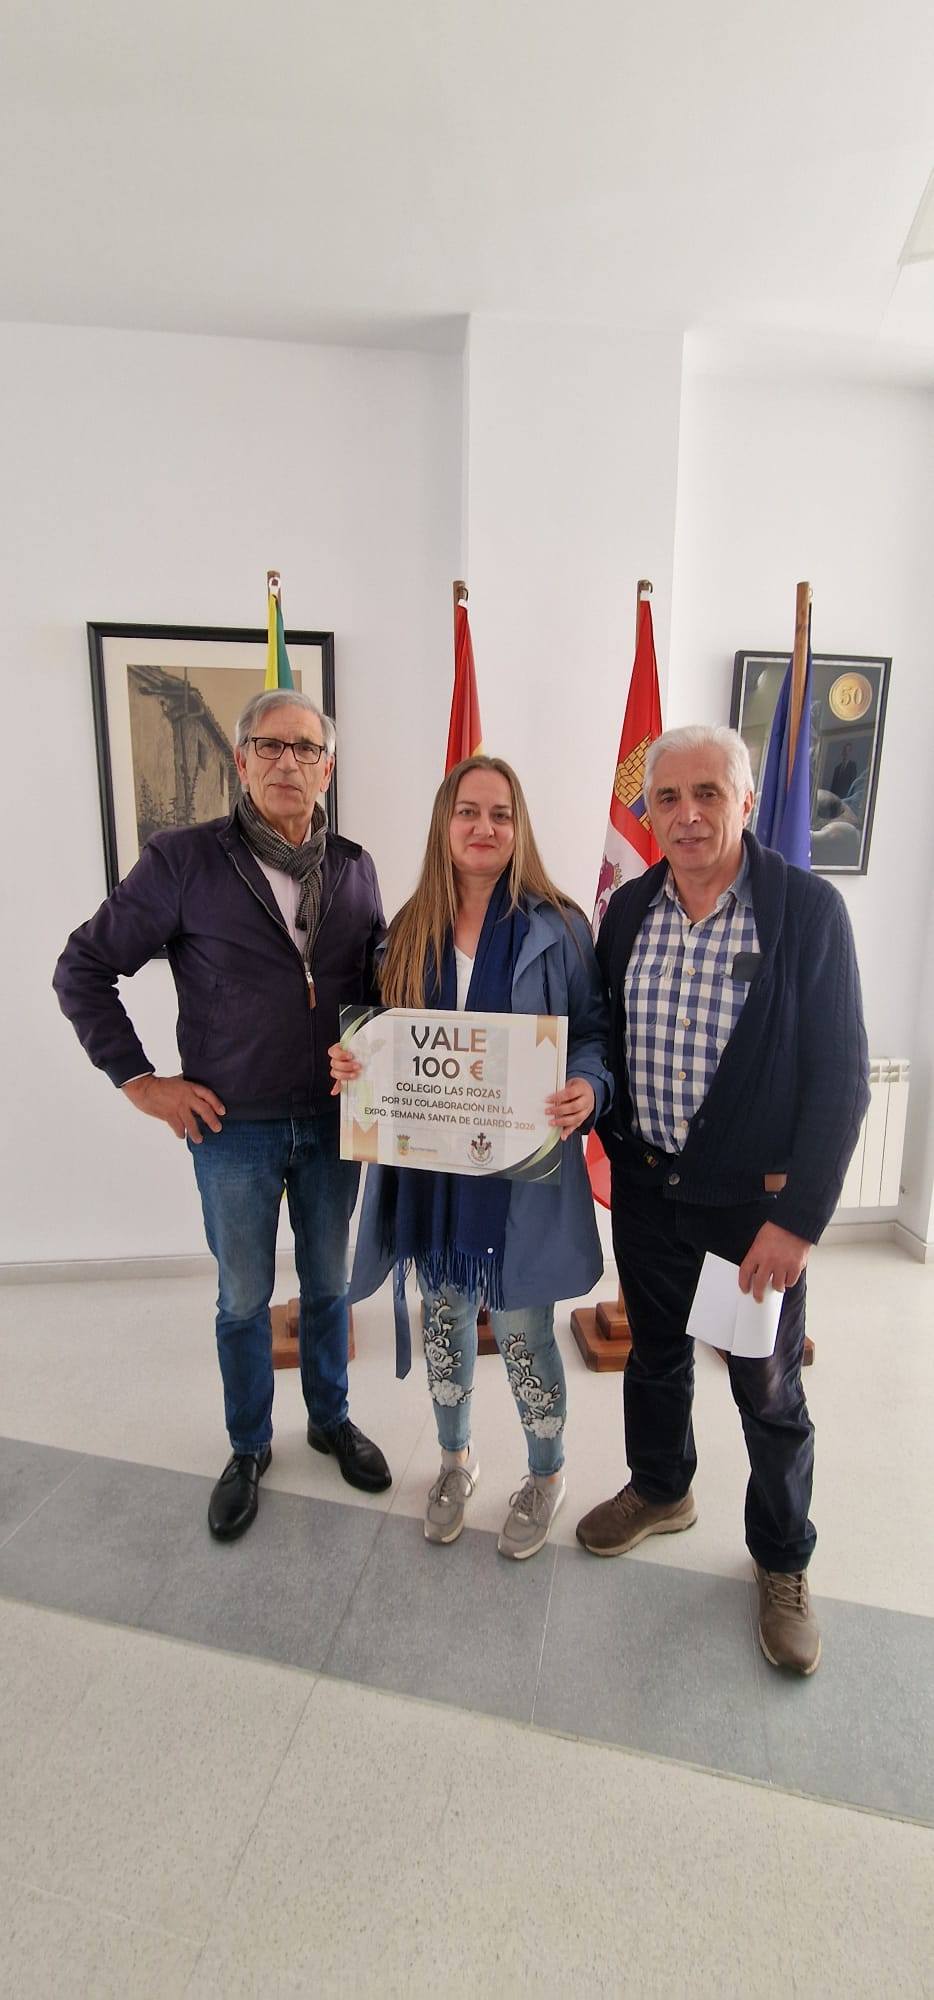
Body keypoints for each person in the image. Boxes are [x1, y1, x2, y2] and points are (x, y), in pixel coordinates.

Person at [54, 689, 391, 1541]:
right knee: (243, 1296)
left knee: (328, 1285)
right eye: (269, 746)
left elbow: (379, 992)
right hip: (230, 1127)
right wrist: (141, 1082)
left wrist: (390, 1065)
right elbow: (83, 969)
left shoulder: (356, 868)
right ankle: (248, 1446)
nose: (287, 762)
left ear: (328, 769)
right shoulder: (182, 861)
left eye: (305, 749)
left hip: (332, 1123)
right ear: (241, 762)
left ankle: (329, 1419)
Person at [576, 724, 869, 1674]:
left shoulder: (807, 914)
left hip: (754, 1215)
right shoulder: (628, 910)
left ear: (746, 800)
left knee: (767, 1393)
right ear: (649, 811)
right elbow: (603, 1039)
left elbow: (841, 1081)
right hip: (649, 1194)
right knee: (656, 1357)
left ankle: (783, 1560)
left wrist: (798, 1223)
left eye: (709, 793)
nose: (688, 814)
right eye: (668, 797)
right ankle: (662, 1488)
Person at [333, 755, 611, 1560]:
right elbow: (380, 1037)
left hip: (520, 1176)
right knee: (445, 1317)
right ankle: (455, 1462)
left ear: (518, 827)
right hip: (431, 1176)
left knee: (523, 1327)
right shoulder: (404, 929)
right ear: (444, 824)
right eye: (468, 812)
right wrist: (353, 1062)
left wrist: (588, 1086)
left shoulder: (560, 927)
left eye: (500, 813)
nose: (483, 827)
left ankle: (546, 1473)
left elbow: (593, 1033)